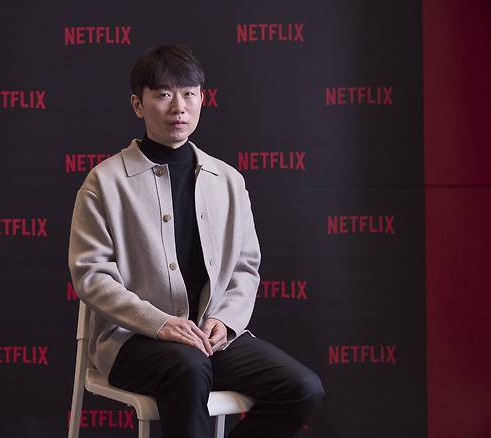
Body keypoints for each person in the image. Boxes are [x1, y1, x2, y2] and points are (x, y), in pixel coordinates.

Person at [68, 43, 324, 438]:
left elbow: (245, 267)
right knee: (187, 367)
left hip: (208, 338)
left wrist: (226, 319)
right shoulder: (104, 182)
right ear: (138, 105)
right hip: (132, 342)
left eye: (189, 94)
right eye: (164, 94)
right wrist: (161, 323)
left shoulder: (228, 181)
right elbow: (92, 277)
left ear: (202, 99)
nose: (179, 107)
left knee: (301, 388)